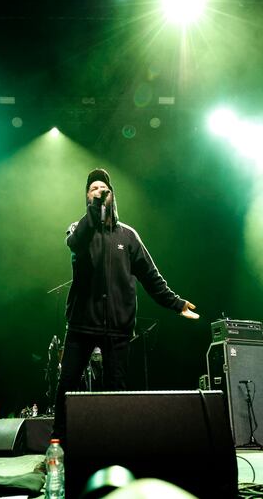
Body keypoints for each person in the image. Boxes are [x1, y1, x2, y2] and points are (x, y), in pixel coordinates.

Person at [51, 168, 199, 445]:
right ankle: (57, 443)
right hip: (82, 323)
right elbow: (75, 244)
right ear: (86, 196)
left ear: (112, 195)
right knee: (67, 385)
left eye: (102, 188)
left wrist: (176, 303)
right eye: (93, 188)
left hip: (118, 327)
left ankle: (113, 445)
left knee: (115, 388)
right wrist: (95, 211)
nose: (98, 191)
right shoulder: (79, 229)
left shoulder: (128, 236)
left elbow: (150, 276)